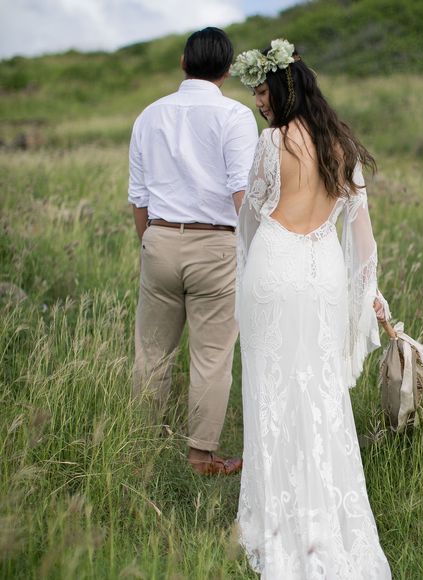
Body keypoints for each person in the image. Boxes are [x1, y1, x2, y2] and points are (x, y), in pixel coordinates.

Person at [232, 39, 392, 578]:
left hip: (274, 268)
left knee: (271, 393)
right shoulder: (342, 145)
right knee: (321, 393)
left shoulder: (271, 143)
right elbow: (363, 238)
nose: (260, 103)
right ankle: (327, 517)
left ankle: (275, 521)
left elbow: (252, 214)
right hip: (323, 273)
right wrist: (370, 292)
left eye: (263, 93)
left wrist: (248, 265)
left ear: (284, 90)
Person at [128, 27, 258, 475]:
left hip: (159, 239)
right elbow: (242, 193)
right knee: (212, 359)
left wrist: (149, 244)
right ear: (227, 71)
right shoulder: (236, 116)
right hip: (217, 245)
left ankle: (140, 448)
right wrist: (251, 253)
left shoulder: (149, 115)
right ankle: (201, 456)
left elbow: (138, 196)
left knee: (151, 355)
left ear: (183, 62)